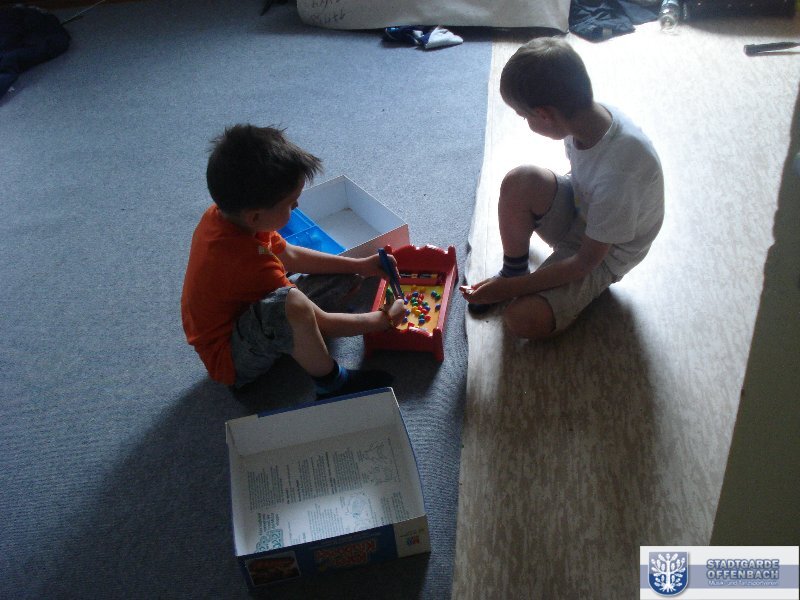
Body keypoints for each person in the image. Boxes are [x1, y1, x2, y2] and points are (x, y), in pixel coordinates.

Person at [181, 124, 406, 399]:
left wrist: (360, 265)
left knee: (346, 276)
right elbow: (323, 322)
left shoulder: (236, 218)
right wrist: (382, 320)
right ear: (255, 216)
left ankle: (299, 338)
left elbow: (290, 255)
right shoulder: (246, 262)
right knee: (294, 305)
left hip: (247, 310)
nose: (297, 207)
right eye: (291, 203)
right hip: (231, 359)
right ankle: (333, 384)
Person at [461, 37, 664, 339]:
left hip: (604, 254)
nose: (526, 122)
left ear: (544, 114)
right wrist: (515, 281)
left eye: (525, 116)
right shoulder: (582, 117)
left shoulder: (620, 175)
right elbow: (581, 176)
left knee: (521, 319)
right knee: (520, 180)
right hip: (584, 210)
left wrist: (509, 289)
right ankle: (515, 267)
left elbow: (585, 261)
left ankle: (541, 288)